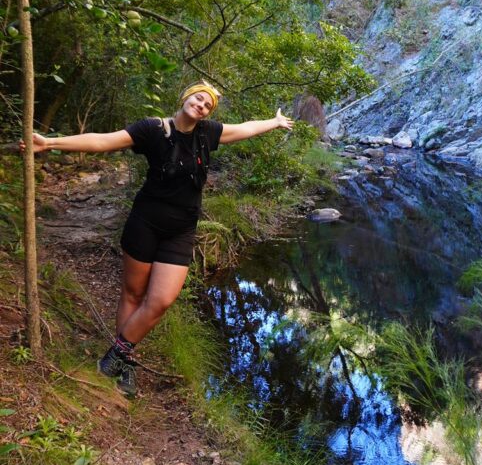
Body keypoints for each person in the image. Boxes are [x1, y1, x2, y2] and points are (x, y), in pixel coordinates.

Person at [23, 82, 293, 397]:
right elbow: (104, 141)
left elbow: (246, 128)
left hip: (182, 230)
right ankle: (123, 363)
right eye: (198, 98)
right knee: (133, 294)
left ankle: (115, 354)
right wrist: (50, 142)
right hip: (145, 223)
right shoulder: (153, 129)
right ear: (185, 97)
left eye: (208, 104)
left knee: (161, 300)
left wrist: (274, 122)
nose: (202, 105)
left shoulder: (208, 133)